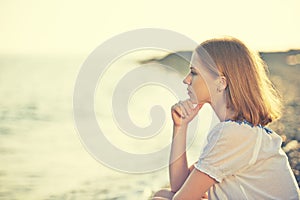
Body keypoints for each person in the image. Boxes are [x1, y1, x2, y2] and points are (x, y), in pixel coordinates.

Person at [152, 37, 299, 200]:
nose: (186, 80)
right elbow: (179, 187)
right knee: (163, 195)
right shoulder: (240, 129)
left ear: (221, 83)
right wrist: (180, 127)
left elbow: (181, 197)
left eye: (193, 73)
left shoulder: (232, 134)